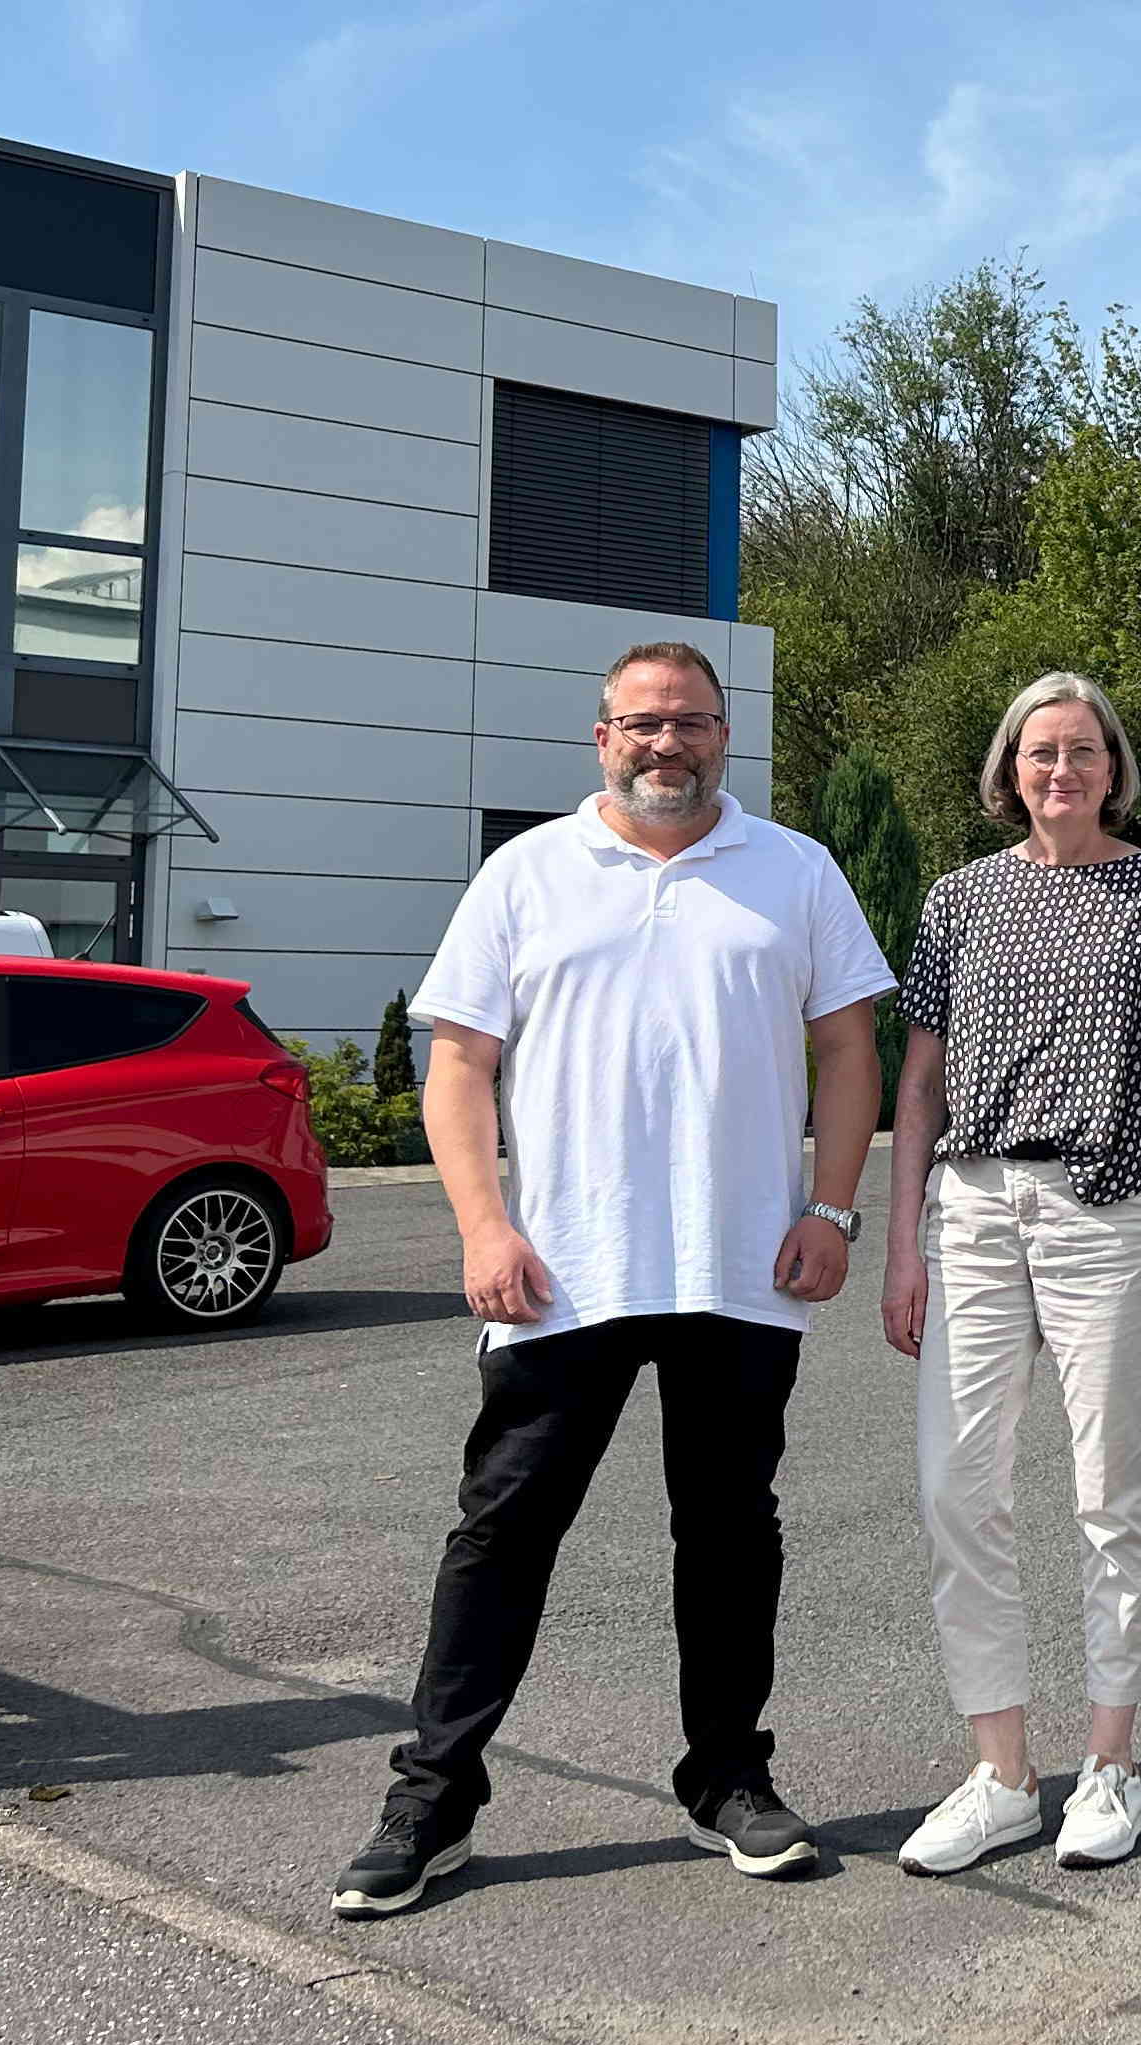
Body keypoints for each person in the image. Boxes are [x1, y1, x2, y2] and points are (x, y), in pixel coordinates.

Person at [333, 641, 893, 1920]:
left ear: (722, 735)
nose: (666, 745)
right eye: (642, 725)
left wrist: (832, 1209)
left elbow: (849, 1050)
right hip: (561, 1274)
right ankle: (434, 1797)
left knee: (731, 1531)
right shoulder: (526, 873)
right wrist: (484, 1226)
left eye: (689, 723)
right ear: (602, 739)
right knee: (505, 1530)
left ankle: (727, 1779)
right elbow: (462, 1067)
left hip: (742, 1266)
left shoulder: (793, 871)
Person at [878, 673, 1141, 1877]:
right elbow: (917, 1079)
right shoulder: (961, 899)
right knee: (955, 1487)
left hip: (1112, 1208)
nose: (1060, 771)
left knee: (1110, 1491)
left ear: (1112, 765)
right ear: (1009, 768)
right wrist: (902, 1241)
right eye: (1040, 753)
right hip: (975, 1206)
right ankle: (1002, 1773)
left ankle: (1111, 1766)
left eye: (1081, 751)